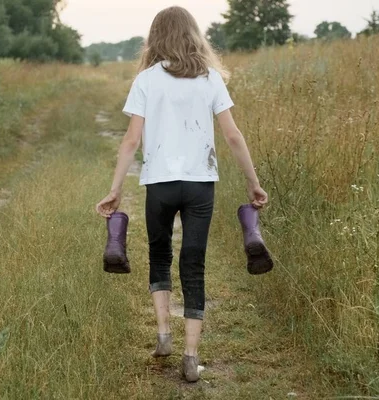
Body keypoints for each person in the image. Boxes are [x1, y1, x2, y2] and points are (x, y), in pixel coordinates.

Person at [95, 6, 268, 383]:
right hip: (199, 184)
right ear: (194, 35)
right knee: (194, 263)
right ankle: (191, 358)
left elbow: (131, 140)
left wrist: (114, 190)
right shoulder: (209, 79)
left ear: (155, 37)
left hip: (159, 183)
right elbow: (233, 135)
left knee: (160, 254)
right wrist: (252, 182)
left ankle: (163, 337)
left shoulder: (146, 80)